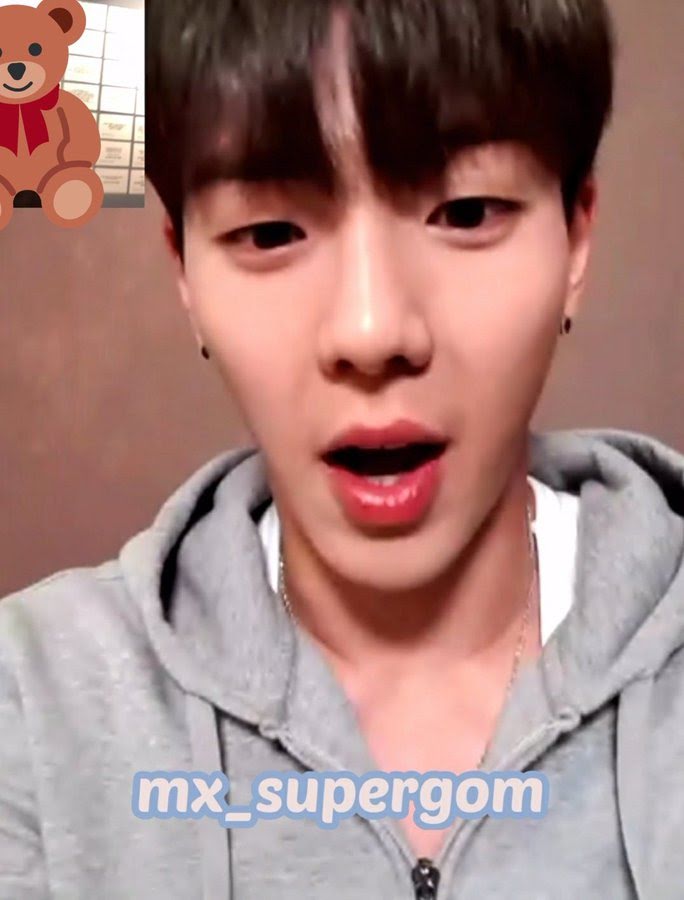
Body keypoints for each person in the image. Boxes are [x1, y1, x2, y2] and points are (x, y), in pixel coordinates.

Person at [1, 0, 683, 897]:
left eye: (466, 211)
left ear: (577, 238)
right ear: (184, 273)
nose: (370, 331)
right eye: (269, 233)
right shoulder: (30, 702)